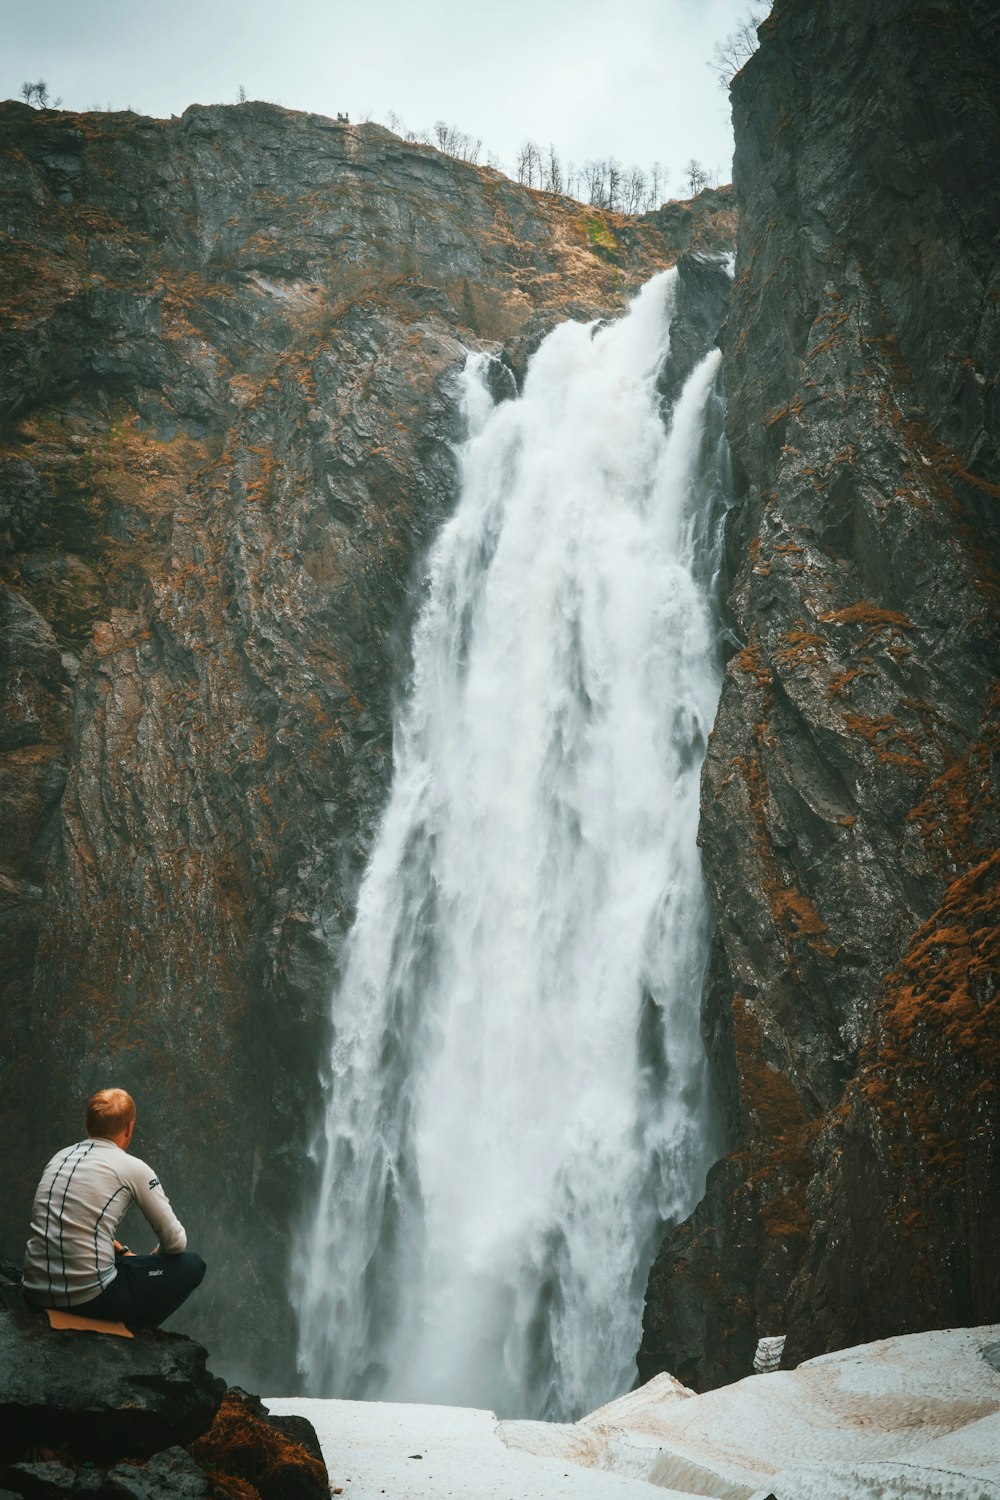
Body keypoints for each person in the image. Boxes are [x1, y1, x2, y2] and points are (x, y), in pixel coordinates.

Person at [23, 1087, 205, 1329]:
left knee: (124, 1261)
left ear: (88, 1124)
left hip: (35, 1290)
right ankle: (137, 1328)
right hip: (87, 1298)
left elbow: (69, 1224)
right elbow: (175, 1242)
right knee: (192, 1265)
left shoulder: (59, 1158)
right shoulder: (133, 1168)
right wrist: (152, 1259)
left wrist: (121, 1252)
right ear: (129, 1129)